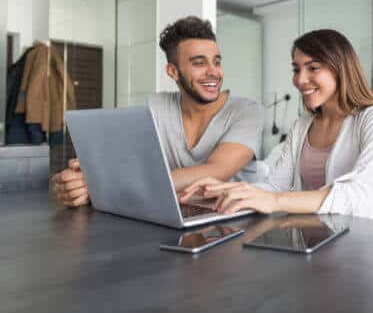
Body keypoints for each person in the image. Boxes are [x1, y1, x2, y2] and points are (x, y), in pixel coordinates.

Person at [180, 29, 373, 222]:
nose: (300, 79)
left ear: (340, 69)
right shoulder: (302, 125)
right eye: (296, 69)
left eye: (313, 68)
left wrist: (275, 201)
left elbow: (362, 192)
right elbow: (276, 186)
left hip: (368, 245)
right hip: (319, 241)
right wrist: (227, 190)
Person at [52, 16, 263, 207]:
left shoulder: (246, 111)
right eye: (200, 63)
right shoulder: (158, 107)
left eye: (217, 62)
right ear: (173, 72)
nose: (214, 72)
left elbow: (216, 170)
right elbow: (120, 158)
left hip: (237, 224)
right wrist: (77, 179)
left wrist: (106, 182)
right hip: (175, 216)